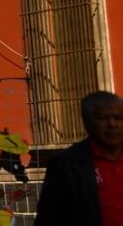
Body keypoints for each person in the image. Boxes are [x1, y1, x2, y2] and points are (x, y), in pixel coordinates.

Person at [37, 89, 123, 225]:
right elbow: (49, 217)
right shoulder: (66, 165)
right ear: (87, 123)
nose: (112, 124)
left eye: (118, 118)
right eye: (102, 118)